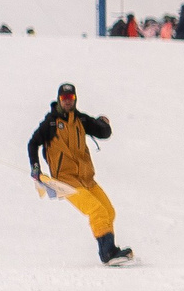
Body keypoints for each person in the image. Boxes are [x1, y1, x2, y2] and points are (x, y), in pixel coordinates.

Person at [28, 82, 134, 265]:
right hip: (66, 181)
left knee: (108, 211)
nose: (68, 102)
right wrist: (36, 168)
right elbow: (33, 143)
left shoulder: (80, 120)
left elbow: (103, 133)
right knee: (97, 211)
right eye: (64, 98)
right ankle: (108, 254)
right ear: (59, 100)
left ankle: (110, 251)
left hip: (86, 178)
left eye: (71, 98)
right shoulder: (51, 123)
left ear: (75, 99)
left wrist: (104, 124)